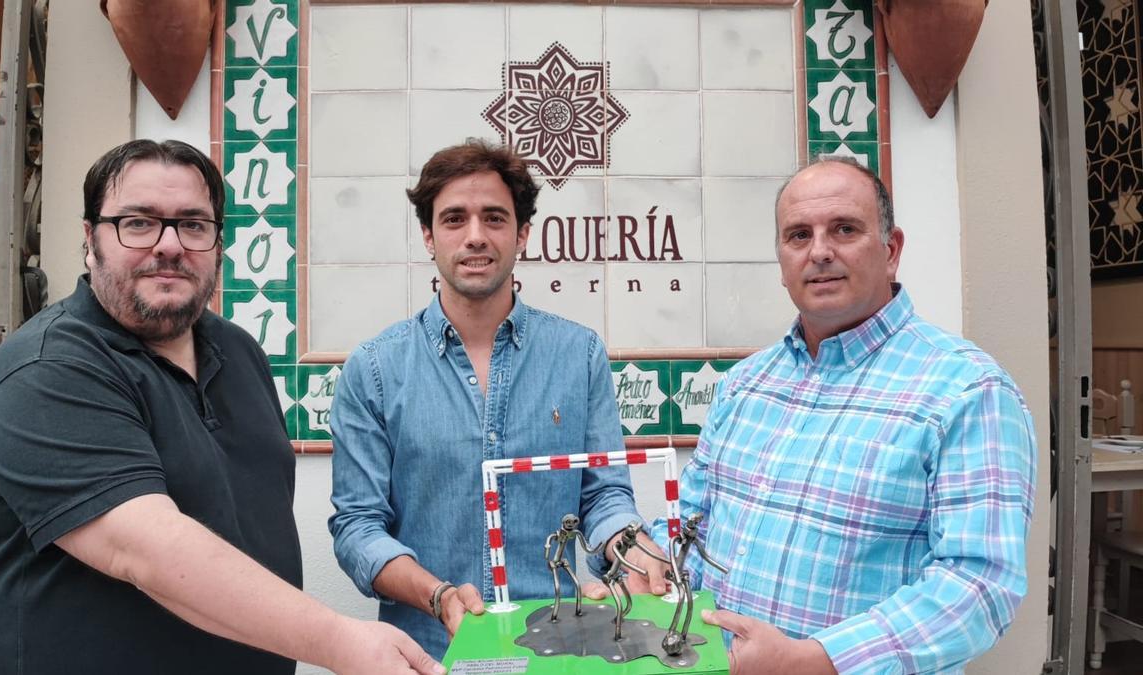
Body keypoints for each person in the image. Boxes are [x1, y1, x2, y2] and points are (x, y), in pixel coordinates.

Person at [0, 139, 440, 675]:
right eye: (138, 222)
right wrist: (342, 641)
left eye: (193, 224)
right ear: (90, 240)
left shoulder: (238, 351)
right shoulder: (43, 371)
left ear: (218, 244)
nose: (169, 245)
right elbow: (147, 551)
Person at [662, 158, 1037, 674]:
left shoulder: (967, 391)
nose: (819, 251)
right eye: (798, 235)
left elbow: (978, 585)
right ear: (781, 261)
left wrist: (819, 661)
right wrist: (651, 564)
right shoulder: (742, 385)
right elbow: (693, 523)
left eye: (844, 229)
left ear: (891, 251)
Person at [329, 140, 668, 659]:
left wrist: (631, 552)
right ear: (428, 235)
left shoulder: (579, 355)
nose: (475, 237)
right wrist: (438, 595)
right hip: (428, 652)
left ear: (522, 232)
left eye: (493, 218)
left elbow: (603, 496)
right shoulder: (374, 369)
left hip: (558, 652)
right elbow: (357, 527)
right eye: (453, 219)